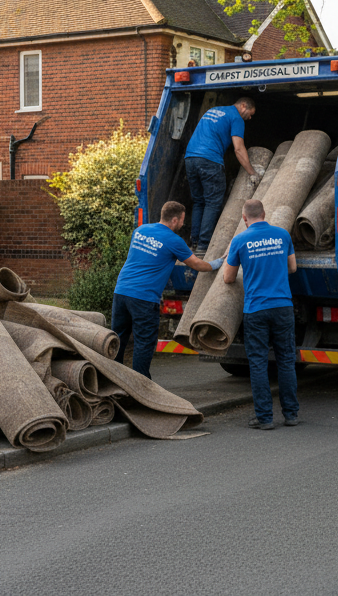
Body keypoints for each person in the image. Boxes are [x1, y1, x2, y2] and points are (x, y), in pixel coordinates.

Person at [113, 201, 222, 378]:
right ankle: (141, 388)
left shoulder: (140, 231)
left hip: (121, 291)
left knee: (118, 338)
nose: (183, 224)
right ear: (174, 220)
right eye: (182, 220)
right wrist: (217, 263)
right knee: (144, 343)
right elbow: (196, 264)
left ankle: (111, 378)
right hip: (144, 297)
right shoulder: (174, 240)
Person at [223, 199, 298, 430]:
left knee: (257, 363)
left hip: (256, 309)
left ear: (245, 219)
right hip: (283, 306)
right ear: (265, 213)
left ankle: (264, 418)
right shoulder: (282, 235)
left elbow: (228, 277)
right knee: (286, 360)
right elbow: (292, 267)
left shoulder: (240, 240)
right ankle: (291, 414)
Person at [184, 98, 258, 254]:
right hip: (210, 160)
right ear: (243, 106)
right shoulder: (236, 118)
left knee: (199, 201)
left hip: (190, 158)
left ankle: (194, 242)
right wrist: (252, 172)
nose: (250, 118)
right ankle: (204, 245)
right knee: (213, 202)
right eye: (250, 114)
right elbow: (238, 149)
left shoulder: (213, 111)